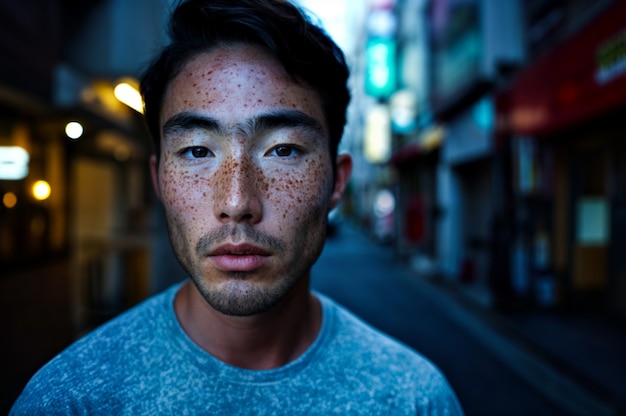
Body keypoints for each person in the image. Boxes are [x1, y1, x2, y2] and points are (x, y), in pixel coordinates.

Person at [11, 0, 463, 414]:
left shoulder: (413, 399)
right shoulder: (71, 400)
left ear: (336, 182)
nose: (236, 203)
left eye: (283, 150)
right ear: (158, 181)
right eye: (196, 151)